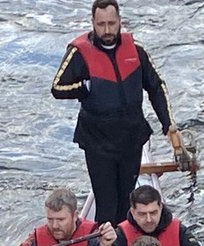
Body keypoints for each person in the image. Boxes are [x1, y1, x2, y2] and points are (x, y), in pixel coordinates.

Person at [51, 1, 183, 227]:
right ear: (93, 24)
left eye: (112, 23)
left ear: (120, 21)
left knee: (125, 201)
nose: (107, 30)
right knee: (107, 203)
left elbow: (156, 87)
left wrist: (168, 125)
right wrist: (84, 87)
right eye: (101, 24)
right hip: (97, 141)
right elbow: (57, 88)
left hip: (131, 137)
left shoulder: (136, 51)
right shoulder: (79, 53)